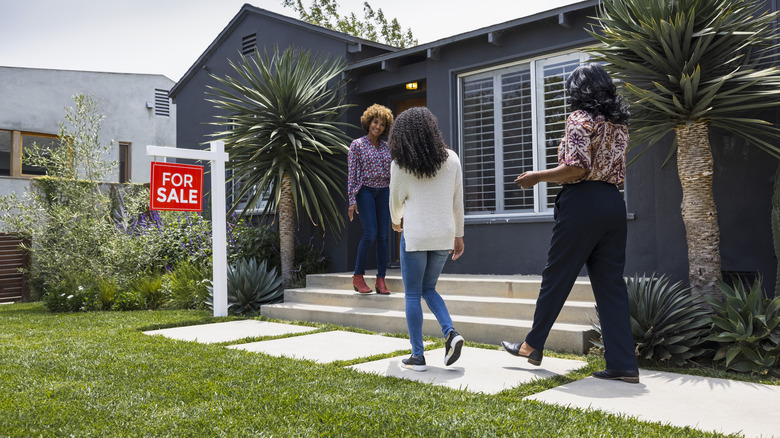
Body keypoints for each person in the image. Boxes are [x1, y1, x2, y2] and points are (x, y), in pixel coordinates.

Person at [500, 63, 639, 383]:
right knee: (611, 286)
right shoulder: (619, 125)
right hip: (613, 205)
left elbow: (576, 168)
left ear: (578, 91)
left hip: (583, 204)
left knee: (557, 276)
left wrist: (537, 177)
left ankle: (532, 345)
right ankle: (623, 364)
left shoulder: (580, 118)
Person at [389, 107, 465, 372]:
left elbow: (395, 204)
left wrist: (396, 222)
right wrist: (459, 235)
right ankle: (450, 332)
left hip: (416, 236)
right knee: (428, 288)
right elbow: (458, 203)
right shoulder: (452, 159)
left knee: (412, 293)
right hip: (444, 235)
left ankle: (418, 356)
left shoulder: (400, 165)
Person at [347, 104, 394, 295]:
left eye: (382, 124)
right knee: (371, 233)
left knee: (384, 235)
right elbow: (352, 173)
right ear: (369, 122)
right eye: (376, 122)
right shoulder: (357, 145)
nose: (378, 127)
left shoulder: (386, 146)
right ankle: (358, 276)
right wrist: (352, 199)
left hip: (383, 191)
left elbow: (393, 171)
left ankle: (380, 279)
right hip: (365, 190)